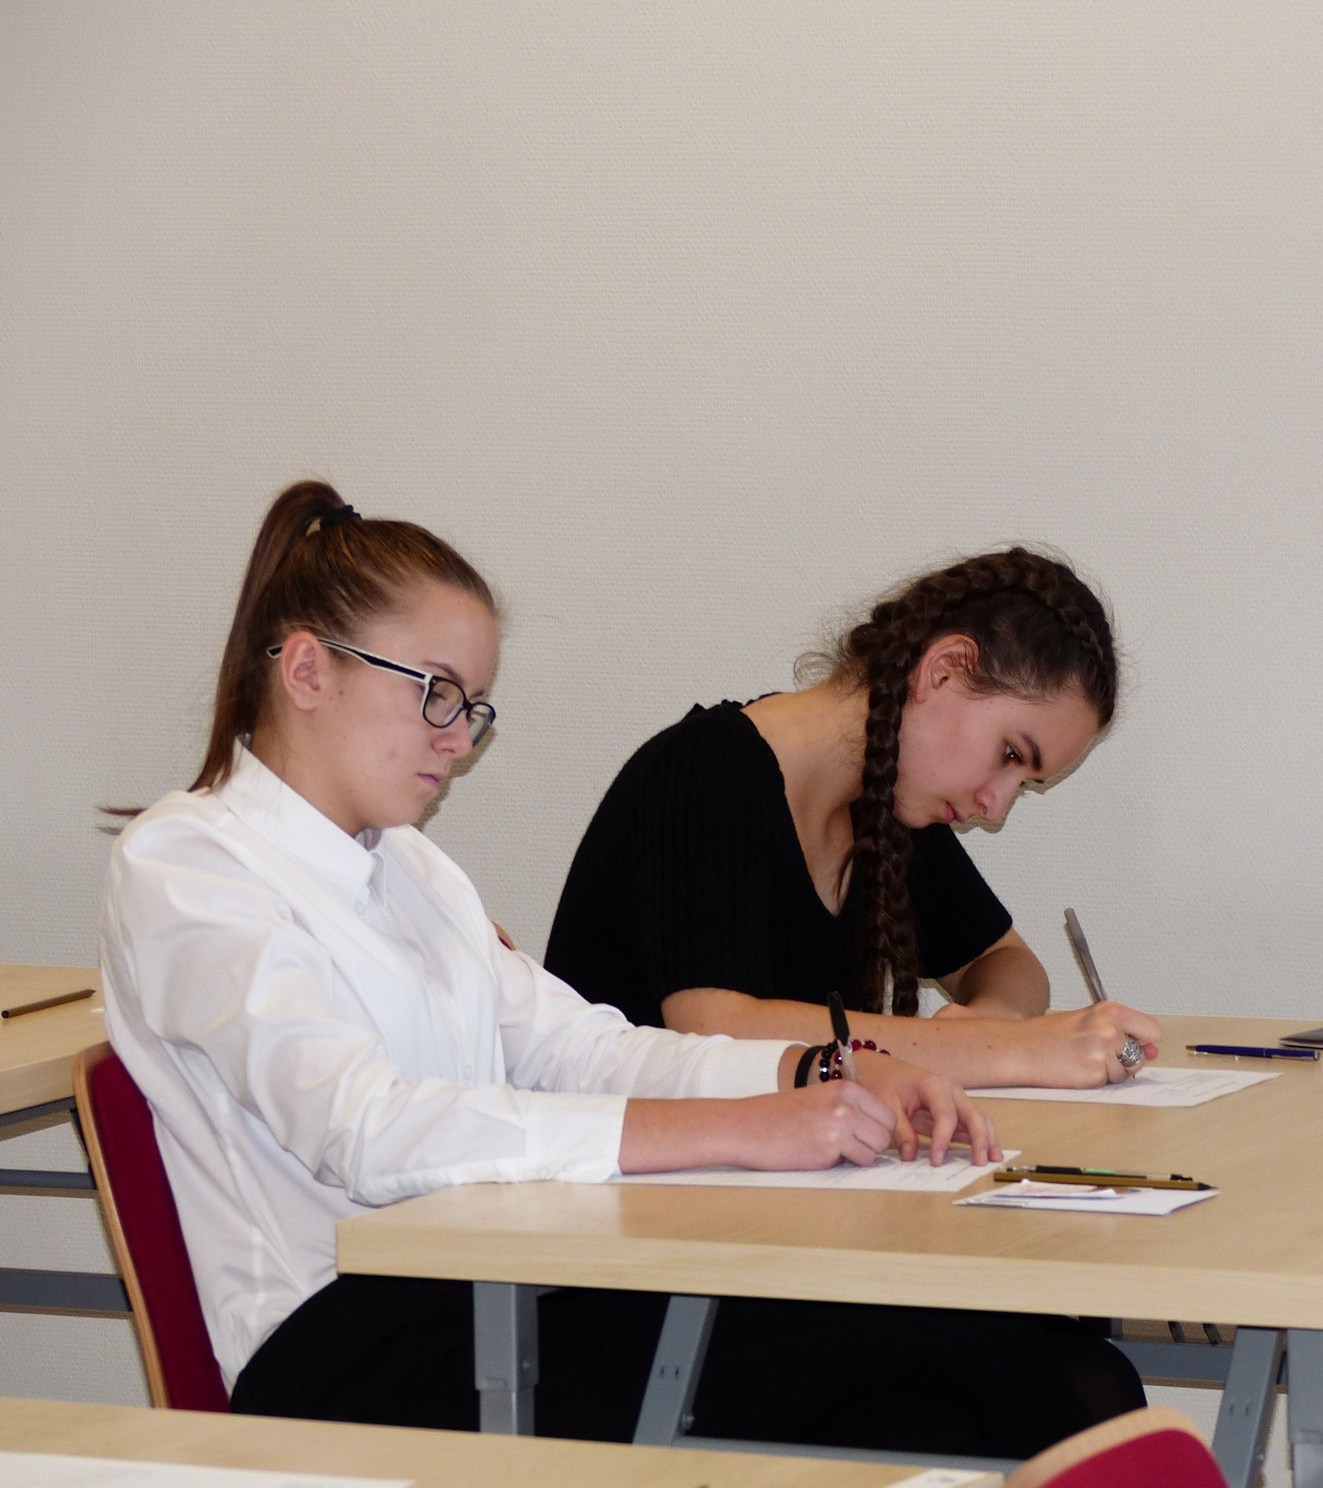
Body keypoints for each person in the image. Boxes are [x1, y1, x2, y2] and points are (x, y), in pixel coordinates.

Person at [99, 481, 1010, 1449]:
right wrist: (749, 1127)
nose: (457, 739)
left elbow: (586, 1050)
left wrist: (826, 1070)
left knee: (955, 1374)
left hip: (496, 1284)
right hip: (347, 1348)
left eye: (472, 707)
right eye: (435, 692)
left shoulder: (409, 867)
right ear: (308, 670)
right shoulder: (188, 867)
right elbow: (370, 1130)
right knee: (936, 1352)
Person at [545, 547, 1162, 1089]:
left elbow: (1009, 963)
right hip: (612, 1178)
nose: (995, 804)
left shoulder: (889, 800)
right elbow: (719, 1029)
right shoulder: (704, 773)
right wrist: (999, 1051)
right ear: (944, 669)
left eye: (1025, 783)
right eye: (1008, 755)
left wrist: (992, 1021)